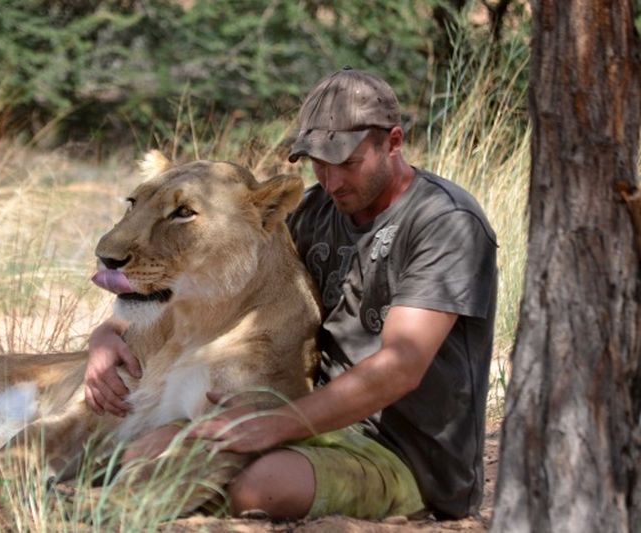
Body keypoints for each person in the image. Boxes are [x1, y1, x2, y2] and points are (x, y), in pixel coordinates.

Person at [84, 68, 498, 521]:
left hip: (403, 451)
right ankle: (110, 498)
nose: (332, 179)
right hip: (310, 418)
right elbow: (218, 276)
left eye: (347, 162)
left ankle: (143, 506)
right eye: (319, 162)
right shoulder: (316, 209)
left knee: (261, 488)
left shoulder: (444, 222)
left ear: (393, 142)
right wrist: (109, 332)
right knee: (151, 446)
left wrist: (277, 426)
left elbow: (400, 367)